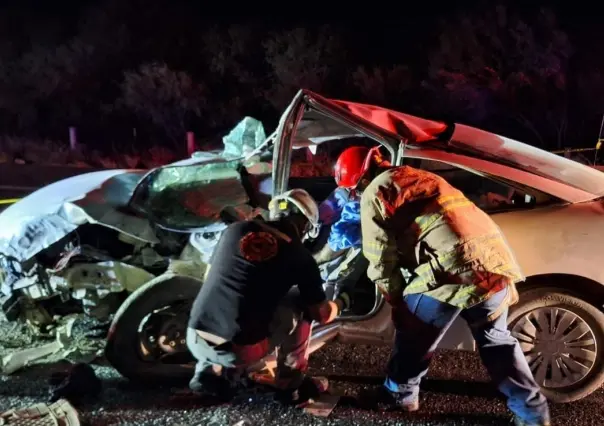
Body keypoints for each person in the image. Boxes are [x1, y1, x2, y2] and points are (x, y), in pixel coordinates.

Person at [333, 146, 551, 426]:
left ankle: (400, 395)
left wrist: (396, 300)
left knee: (412, 331)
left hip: (451, 272)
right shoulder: (419, 176)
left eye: (353, 191)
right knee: (497, 342)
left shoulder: (376, 191)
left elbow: (379, 258)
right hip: (492, 264)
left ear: (359, 181)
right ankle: (534, 414)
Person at [186, 188, 349, 406]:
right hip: (238, 352)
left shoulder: (234, 230)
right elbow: (322, 314)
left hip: (194, 337)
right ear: (306, 226)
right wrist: (342, 302)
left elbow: (212, 278)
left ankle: (207, 374)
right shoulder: (300, 256)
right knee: (300, 304)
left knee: (228, 296)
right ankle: (290, 385)